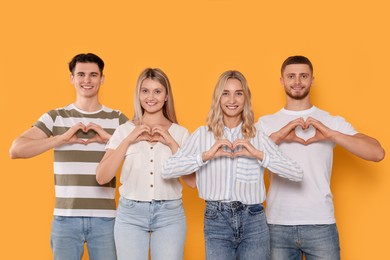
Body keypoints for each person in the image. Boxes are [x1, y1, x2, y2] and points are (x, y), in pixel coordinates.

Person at [162, 70, 304, 260]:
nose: (232, 100)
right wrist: (206, 156)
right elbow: (168, 169)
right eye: (226, 93)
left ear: (245, 98)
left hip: (254, 219)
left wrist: (258, 154)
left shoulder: (257, 136)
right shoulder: (203, 135)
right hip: (216, 219)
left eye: (238, 93)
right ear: (218, 98)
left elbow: (297, 173)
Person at [257, 55, 385, 260]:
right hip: (277, 225)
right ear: (282, 81)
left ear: (312, 80)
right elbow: (244, 162)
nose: (297, 82)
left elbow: (377, 153)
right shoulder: (265, 124)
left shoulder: (330, 121)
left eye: (303, 76)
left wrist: (331, 134)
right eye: (291, 76)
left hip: (321, 224)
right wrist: (279, 136)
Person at [9, 53, 129, 260]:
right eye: (81, 74)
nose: (87, 80)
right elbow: (16, 150)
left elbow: (142, 156)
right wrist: (60, 139)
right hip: (65, 219)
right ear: (71, 78)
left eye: (93, 75)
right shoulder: (56, 117)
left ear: (102, 78)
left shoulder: (117, 118)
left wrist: (109, 139)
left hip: (106, 219)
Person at [96, 68, 195, 260]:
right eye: (145, 91)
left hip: (170, 215)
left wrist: (171, 142)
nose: (151, 97)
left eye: (157, 91)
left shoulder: (181, 133)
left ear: (166, 96)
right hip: (130, 215)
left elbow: (192, 181)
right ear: (138, 95)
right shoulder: (124, 131)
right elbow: (102, 176)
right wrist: (128, 140)